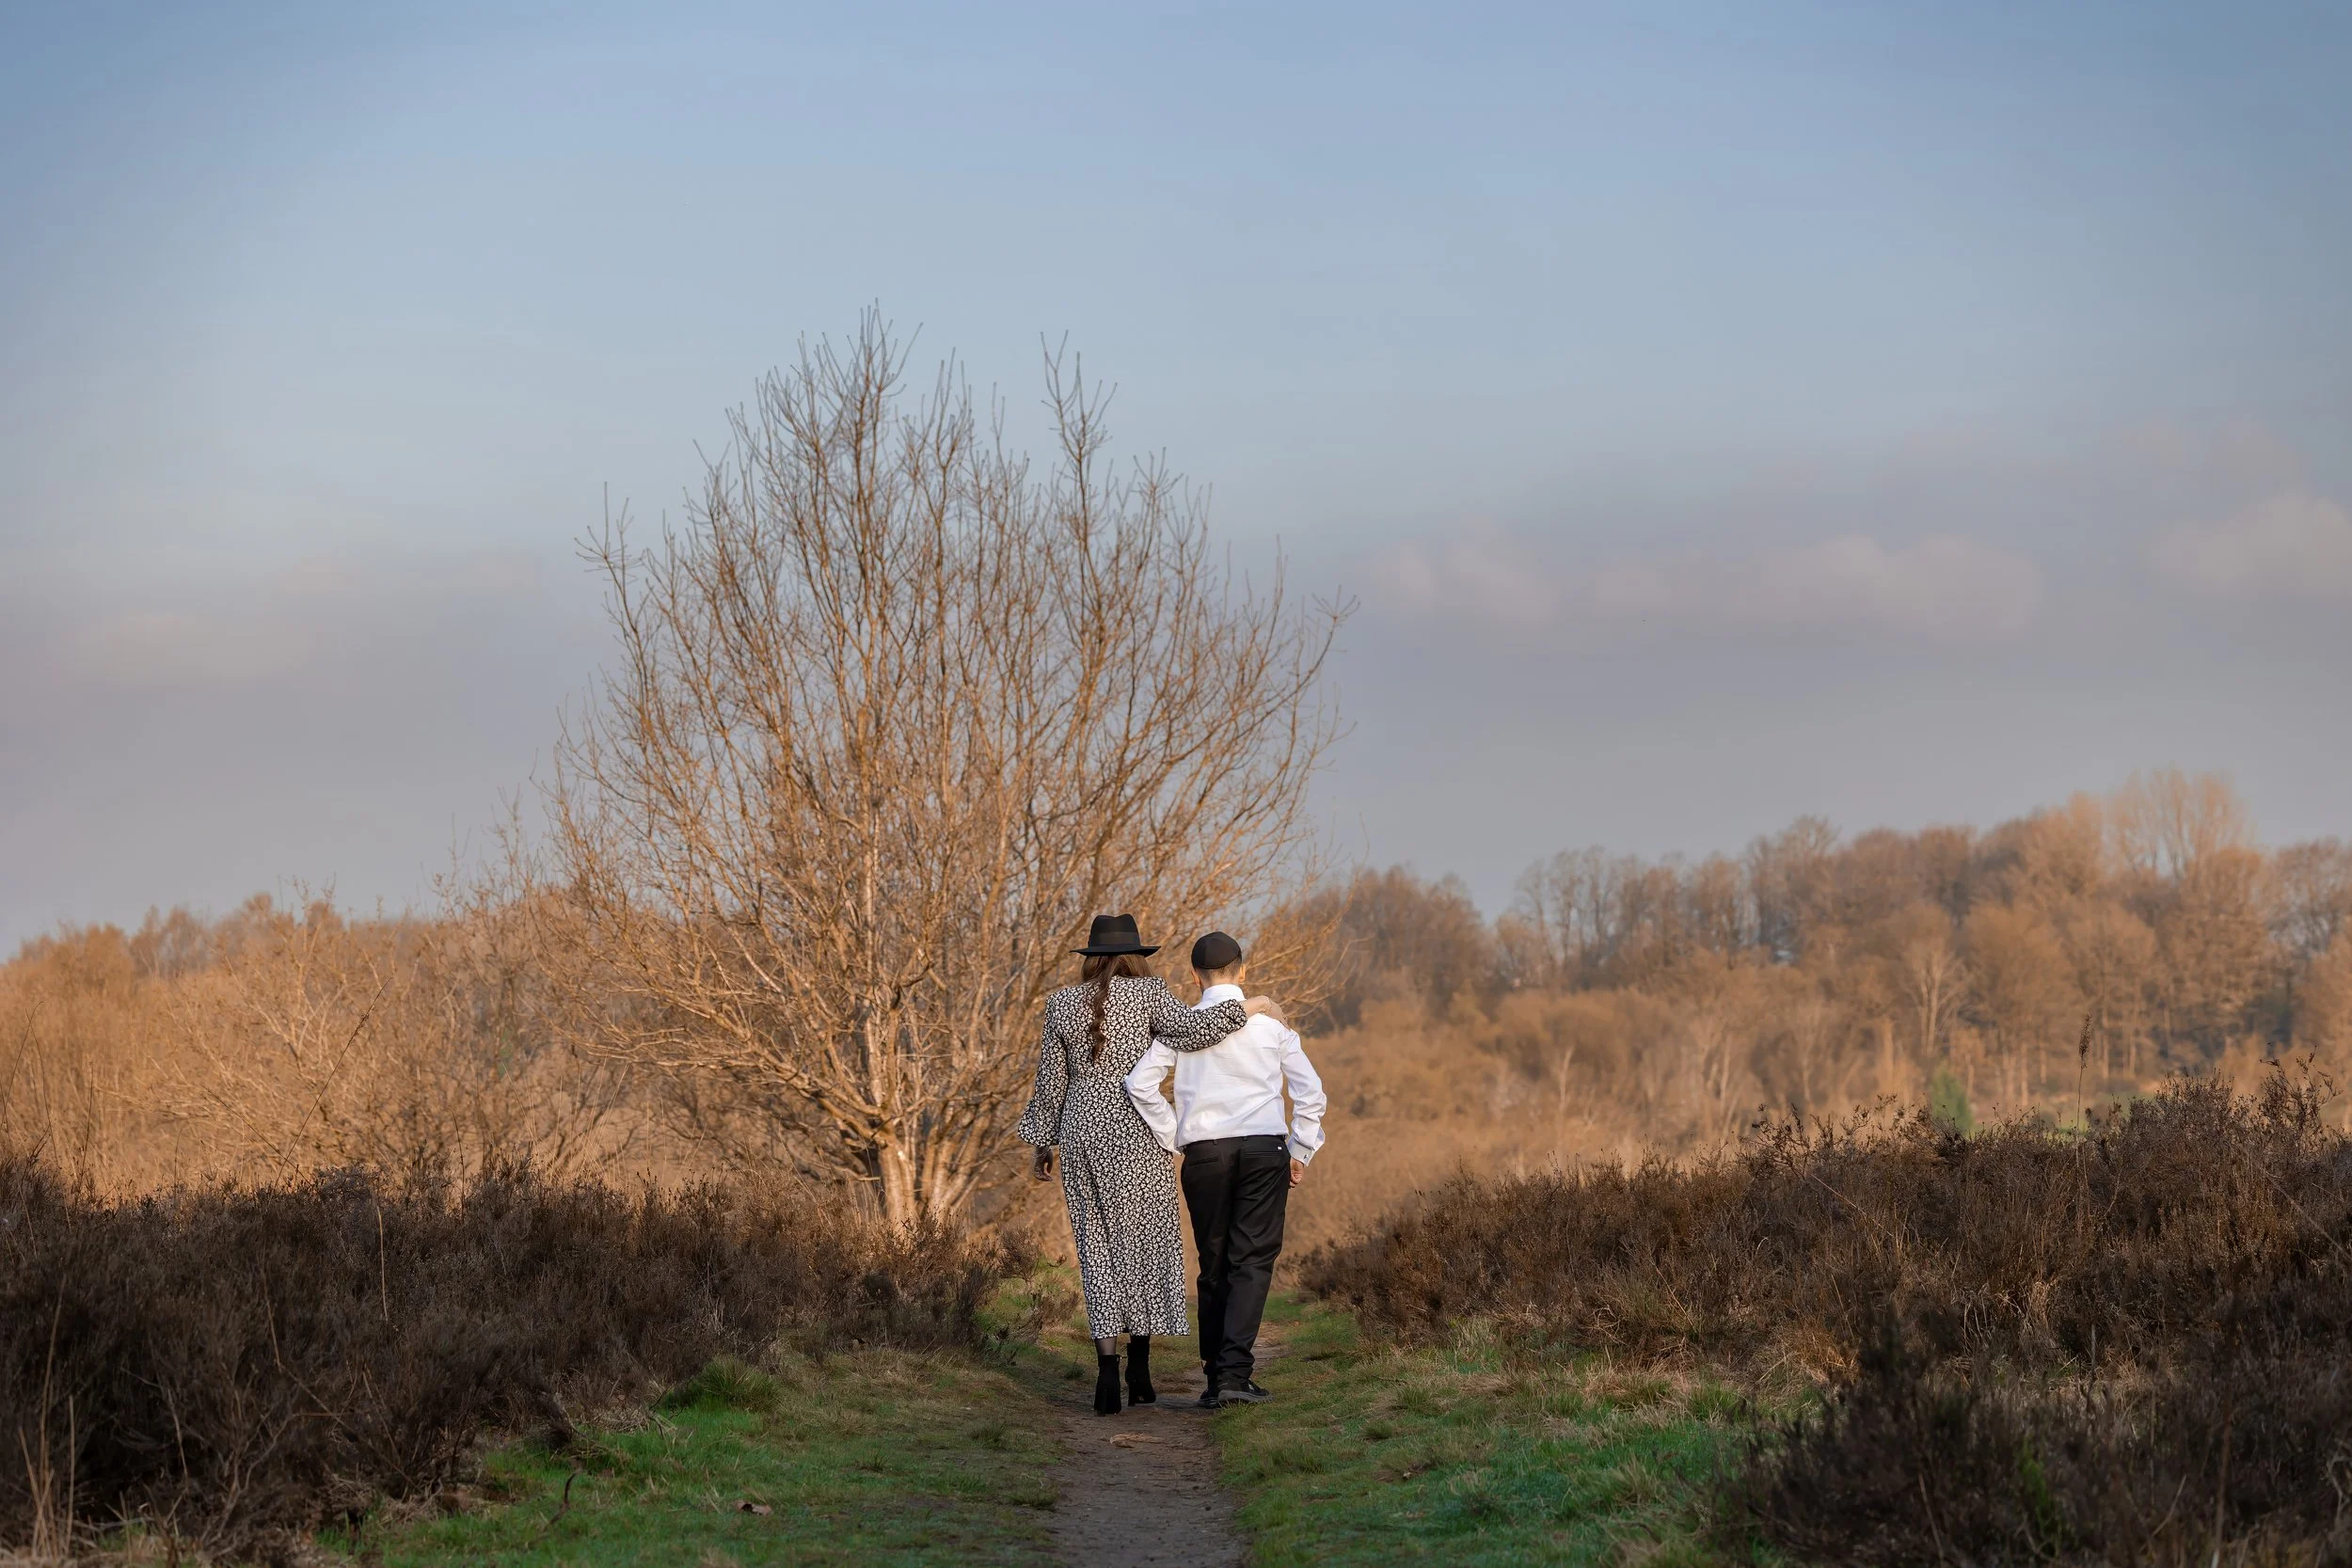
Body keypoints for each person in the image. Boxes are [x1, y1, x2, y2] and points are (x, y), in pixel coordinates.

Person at [1019, 913, 1286, 1416]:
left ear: (1092, 958)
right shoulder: (1150, 996)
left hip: (1081, 1136)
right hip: (1136, 1134)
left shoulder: (1060, 1004)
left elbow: (1049, 1082)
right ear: (1136, 957)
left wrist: (1043, 1144)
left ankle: (1106, 1375)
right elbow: (1195, 1031)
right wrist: (1253, 1007)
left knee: (1097, 1253)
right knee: (1143, 1245)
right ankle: (1140, 1371)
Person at [1124, 930, 1327, 1408]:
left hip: (1205, 1155)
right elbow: (1311, 1094)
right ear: (1243, 972)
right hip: (1263, 1152)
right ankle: (1234, 1374)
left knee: (1214, 1263)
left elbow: (1140, 1084)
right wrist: (1300, 1150)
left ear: (1193, 977)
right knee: (1251, 1261)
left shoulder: (1181, 1027)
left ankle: (1218, 1375)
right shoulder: (1274, 1028)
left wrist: (1176, 1134)